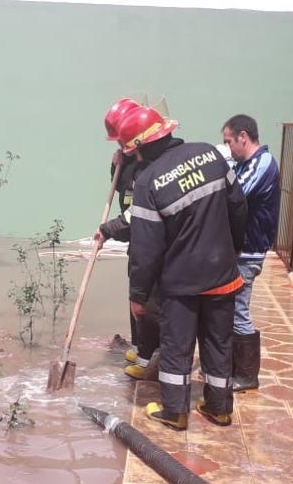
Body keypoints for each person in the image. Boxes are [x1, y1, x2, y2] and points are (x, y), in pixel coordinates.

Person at [120, 106, 247, 431]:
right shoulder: (210, 155)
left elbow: (146, 250)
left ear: (137, 150)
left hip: (181, 284)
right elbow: (238, 205)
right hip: (222, 275)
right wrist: (234, 248)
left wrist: (138, 294)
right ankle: (219, 408)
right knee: (219, 343)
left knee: (177, 347)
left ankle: (175, 411)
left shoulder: (148, 183)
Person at [96, 98, 161, 380]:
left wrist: (109, 229)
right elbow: (126, 197)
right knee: (136, 296)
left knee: (145, 300)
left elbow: (139, 213)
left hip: (148, 237)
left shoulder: (151, 165)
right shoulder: (134, 161)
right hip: (136, 237)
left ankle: (149, 357)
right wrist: (117, 168)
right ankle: (140, 347)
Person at [221, 114, 280, 393]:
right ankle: (236, 368)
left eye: (229, 141)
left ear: (243, 137)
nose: (228, 147)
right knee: (232, 309)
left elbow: (237, 196)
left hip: (249, 251)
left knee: (238, 310)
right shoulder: (245, 164)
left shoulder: (263, 163)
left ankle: (246, 375)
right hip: (241, 251)